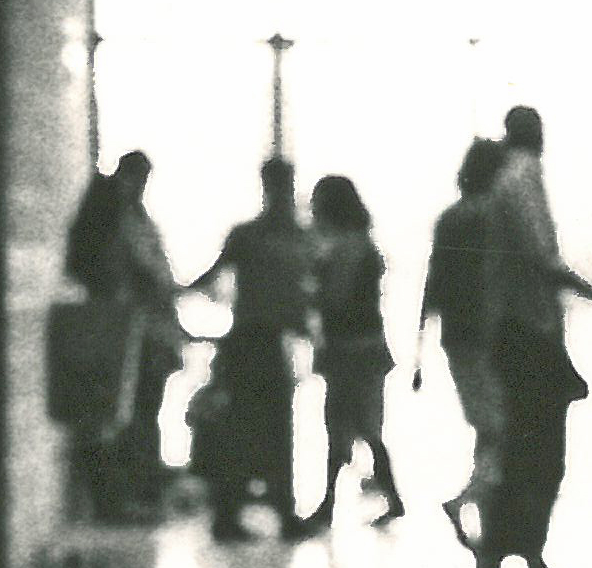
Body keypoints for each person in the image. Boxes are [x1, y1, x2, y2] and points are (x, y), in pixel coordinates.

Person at [475, 103, 592, 568]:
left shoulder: (508, 182)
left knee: (521, 450)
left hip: (517, 332)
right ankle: (523, 553)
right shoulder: (522, 181)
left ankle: (507, 555)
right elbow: (541, 259)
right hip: (529, 333)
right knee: (541, 453)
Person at [185, 157, 315, 544]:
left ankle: (238, 512)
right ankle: (264, 511)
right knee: (265, 428)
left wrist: (179, 290)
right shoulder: (291, 238)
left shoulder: (252, 236)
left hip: (257, 340)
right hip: (263, 340)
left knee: (250, 427)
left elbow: (213, 275)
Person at [59, 152, 186, 521]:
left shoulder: (130, 220)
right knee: (123, 415)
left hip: (139, 328)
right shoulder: (115, 224)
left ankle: (132, 494)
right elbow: (147, 275)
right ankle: (120, 498)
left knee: (136, 413)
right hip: (128, 328)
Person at [290, 171, 405, 533]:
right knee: (367, 427)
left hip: (347, 349)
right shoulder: (363, 245)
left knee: (340, 426)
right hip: (367, 346)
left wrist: (306, 296)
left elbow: (334, 298)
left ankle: (329, 505)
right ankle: (388, 498)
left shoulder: (341, 248)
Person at [420, 138, 507, 552]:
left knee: (486, 426)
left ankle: (484, 517)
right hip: (491, 335)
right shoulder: (494, 216)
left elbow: (433, 283)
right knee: (500, 427)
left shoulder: (450, 219)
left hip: (456, 336)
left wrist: (419, 345)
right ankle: (471, 498)